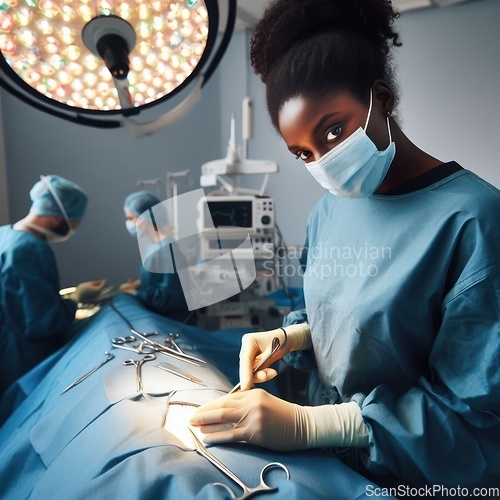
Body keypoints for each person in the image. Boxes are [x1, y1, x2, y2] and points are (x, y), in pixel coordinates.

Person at [189, 0, 500, 490]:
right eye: (302, 153)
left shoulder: (476, 223)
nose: (323, 162)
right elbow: (348, 319)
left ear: (382, 98)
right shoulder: (330, 210)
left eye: (334, 131)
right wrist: (294, 337)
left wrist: (317, 425)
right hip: (328, 469)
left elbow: (478, 420)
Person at [0, 175, 103, 394]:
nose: (75, 227)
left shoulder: (5, 235)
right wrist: (74, 301)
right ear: (59, 218)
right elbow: (40, 321)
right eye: (76, 222)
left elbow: (20, 297)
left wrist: (69, 294)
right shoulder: (27, 249)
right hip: (22, 357)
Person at [121, 190, 190, 322]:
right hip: (159, 319)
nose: (128, 223)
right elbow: (157, 281)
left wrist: (137, 293)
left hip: (172, 323)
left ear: (145, 217)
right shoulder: (154, 245)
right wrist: (139, 285)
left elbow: (171, 299)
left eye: (131, 218)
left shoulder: (167, 249)